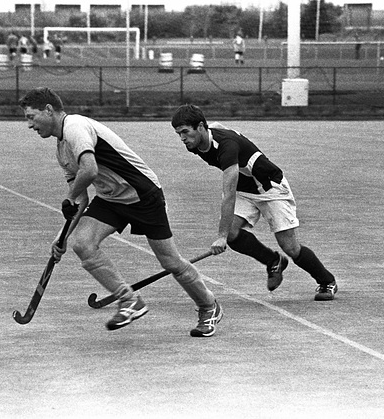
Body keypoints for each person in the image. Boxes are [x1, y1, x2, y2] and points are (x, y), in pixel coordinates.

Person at [17, 88, 223, 337]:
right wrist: (62, 235)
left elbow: (89, 170)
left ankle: (208, 305)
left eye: (31, 117)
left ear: (48, 110)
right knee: (82, 243)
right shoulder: (62, 150)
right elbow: (80, 200)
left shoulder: (75, 126)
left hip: (142, 194)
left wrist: (70, 198)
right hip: (111, 199)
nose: (30, 125)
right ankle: (129, 300)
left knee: (171, 262)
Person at [171, 104, 338, 301]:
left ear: (200, 127)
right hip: (247, 188)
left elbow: (228, 194)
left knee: (290, 247)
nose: (182, 138)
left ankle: (327, 281)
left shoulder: (227, 148)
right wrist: (227, 235)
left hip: (270, 188)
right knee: (234, 234)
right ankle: (273, 261)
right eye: (178, 133)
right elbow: (216, 126)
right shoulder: (198, 142)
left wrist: (221, 236)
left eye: (185, 132)